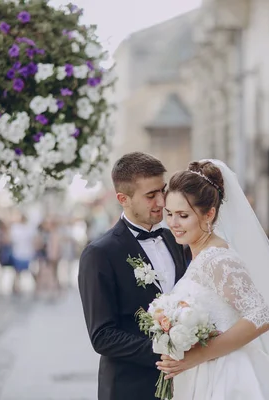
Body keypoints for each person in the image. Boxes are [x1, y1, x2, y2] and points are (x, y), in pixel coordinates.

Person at [157, 160, 269, 400]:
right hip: (200, 375)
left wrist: (200, 355)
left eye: (183, 215)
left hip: (226, 377)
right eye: (169, 214)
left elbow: (260, 316)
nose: (173, 223)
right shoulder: (200, 256)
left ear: (209, 214)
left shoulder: (218, 259)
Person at [78, 152, 189, 400]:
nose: (161, 201)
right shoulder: (99, 254)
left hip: (184, 384)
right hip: (129, 387)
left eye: (163, 190)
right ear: (123, 199)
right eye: (151, 195)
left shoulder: (175, 240)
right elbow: (102, 336)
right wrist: (165, 352)